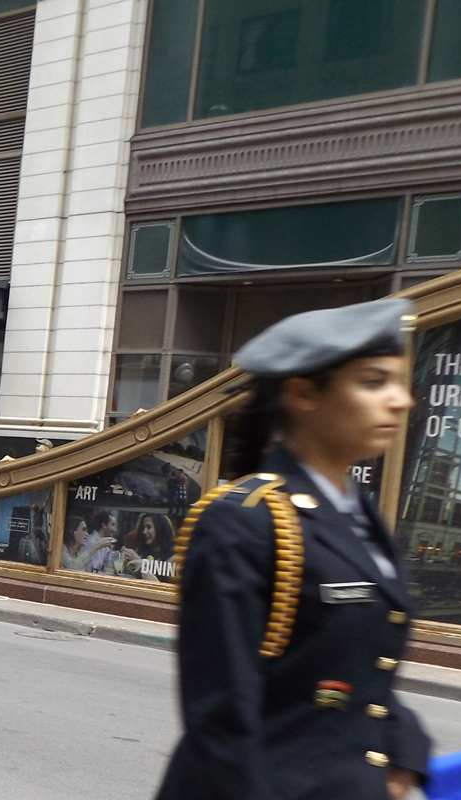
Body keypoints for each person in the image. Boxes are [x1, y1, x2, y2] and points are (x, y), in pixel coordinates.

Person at [156, 298, 429, 800]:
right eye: (374, 382)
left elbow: (358, 672)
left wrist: (405, 751)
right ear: (303, 394)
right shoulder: (245, 520)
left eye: (398, 381)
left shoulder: (356, 512)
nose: (400, 400)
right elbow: (221, 720)